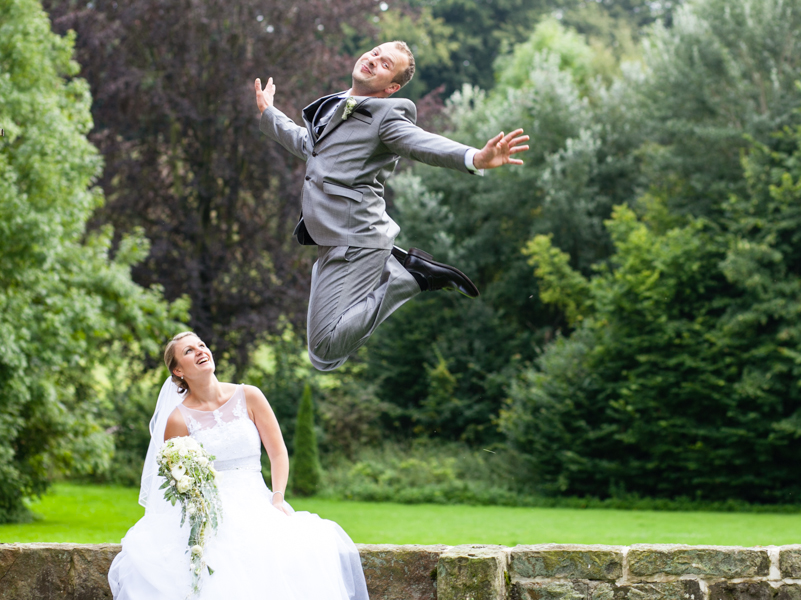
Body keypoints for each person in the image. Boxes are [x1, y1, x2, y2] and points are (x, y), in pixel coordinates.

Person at [255, 40, 529, 371]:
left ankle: (406, 277)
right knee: (323, 354)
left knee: (324, 352)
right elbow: (308, 146)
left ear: (391, 87)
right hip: (330, 235)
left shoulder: (386, 115)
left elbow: (421, 144)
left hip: (357, 239)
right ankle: (402, 271)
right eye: (374, 53)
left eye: (385, 65)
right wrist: (270, 113)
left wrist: (474, 158)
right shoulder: (338, 106)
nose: (372, 61)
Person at [108, 332, 368, 600]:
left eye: (202, 345)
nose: (200, 351)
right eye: (188, 351)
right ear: (177, 370)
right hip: (212, 513)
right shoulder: (177, 420)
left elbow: (278, 453)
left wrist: (277, 498)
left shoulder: (249, 396)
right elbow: (180, 480)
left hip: (259, 502)